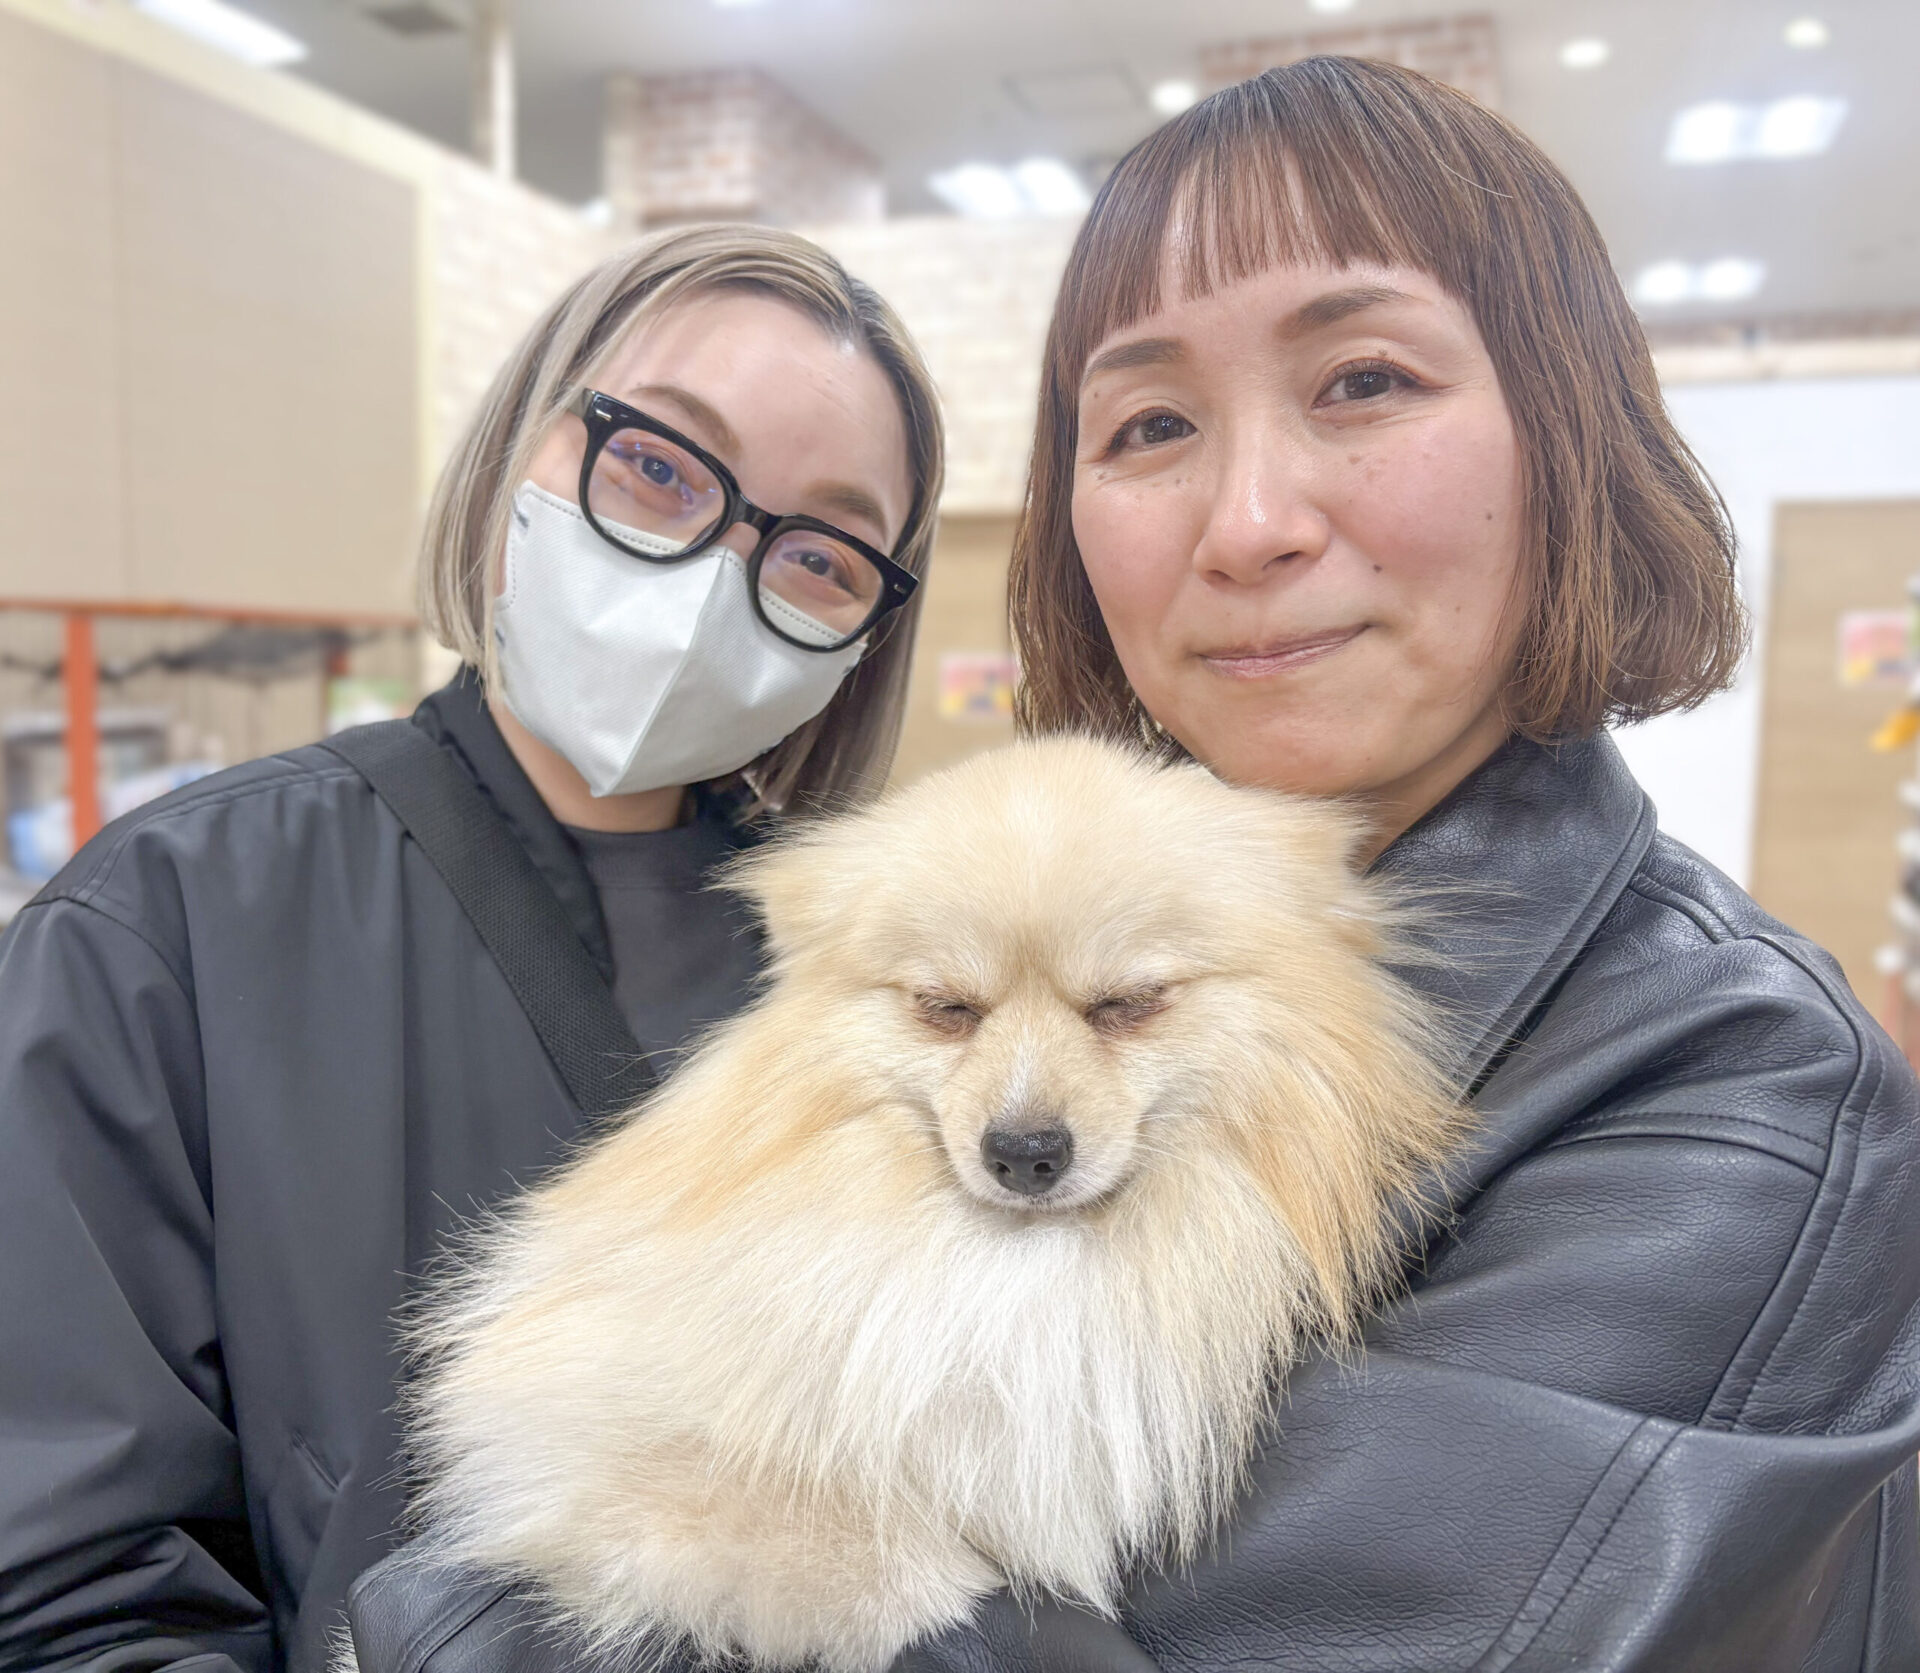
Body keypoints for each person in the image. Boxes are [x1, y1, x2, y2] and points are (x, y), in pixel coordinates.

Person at [347, 58, 1920, 1673]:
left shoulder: (1751, 1096)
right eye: (1152, 423)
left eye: (1364, 380)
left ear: (1569, 433)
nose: (1249, 521)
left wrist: (448, 1618)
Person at [0, 224, 944, 1673]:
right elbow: (68, 1587)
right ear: (522, 446)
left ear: (867, 627)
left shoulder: (885, 970)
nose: (714, 574)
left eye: (820, 553)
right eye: (660, 466)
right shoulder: (171, 920)